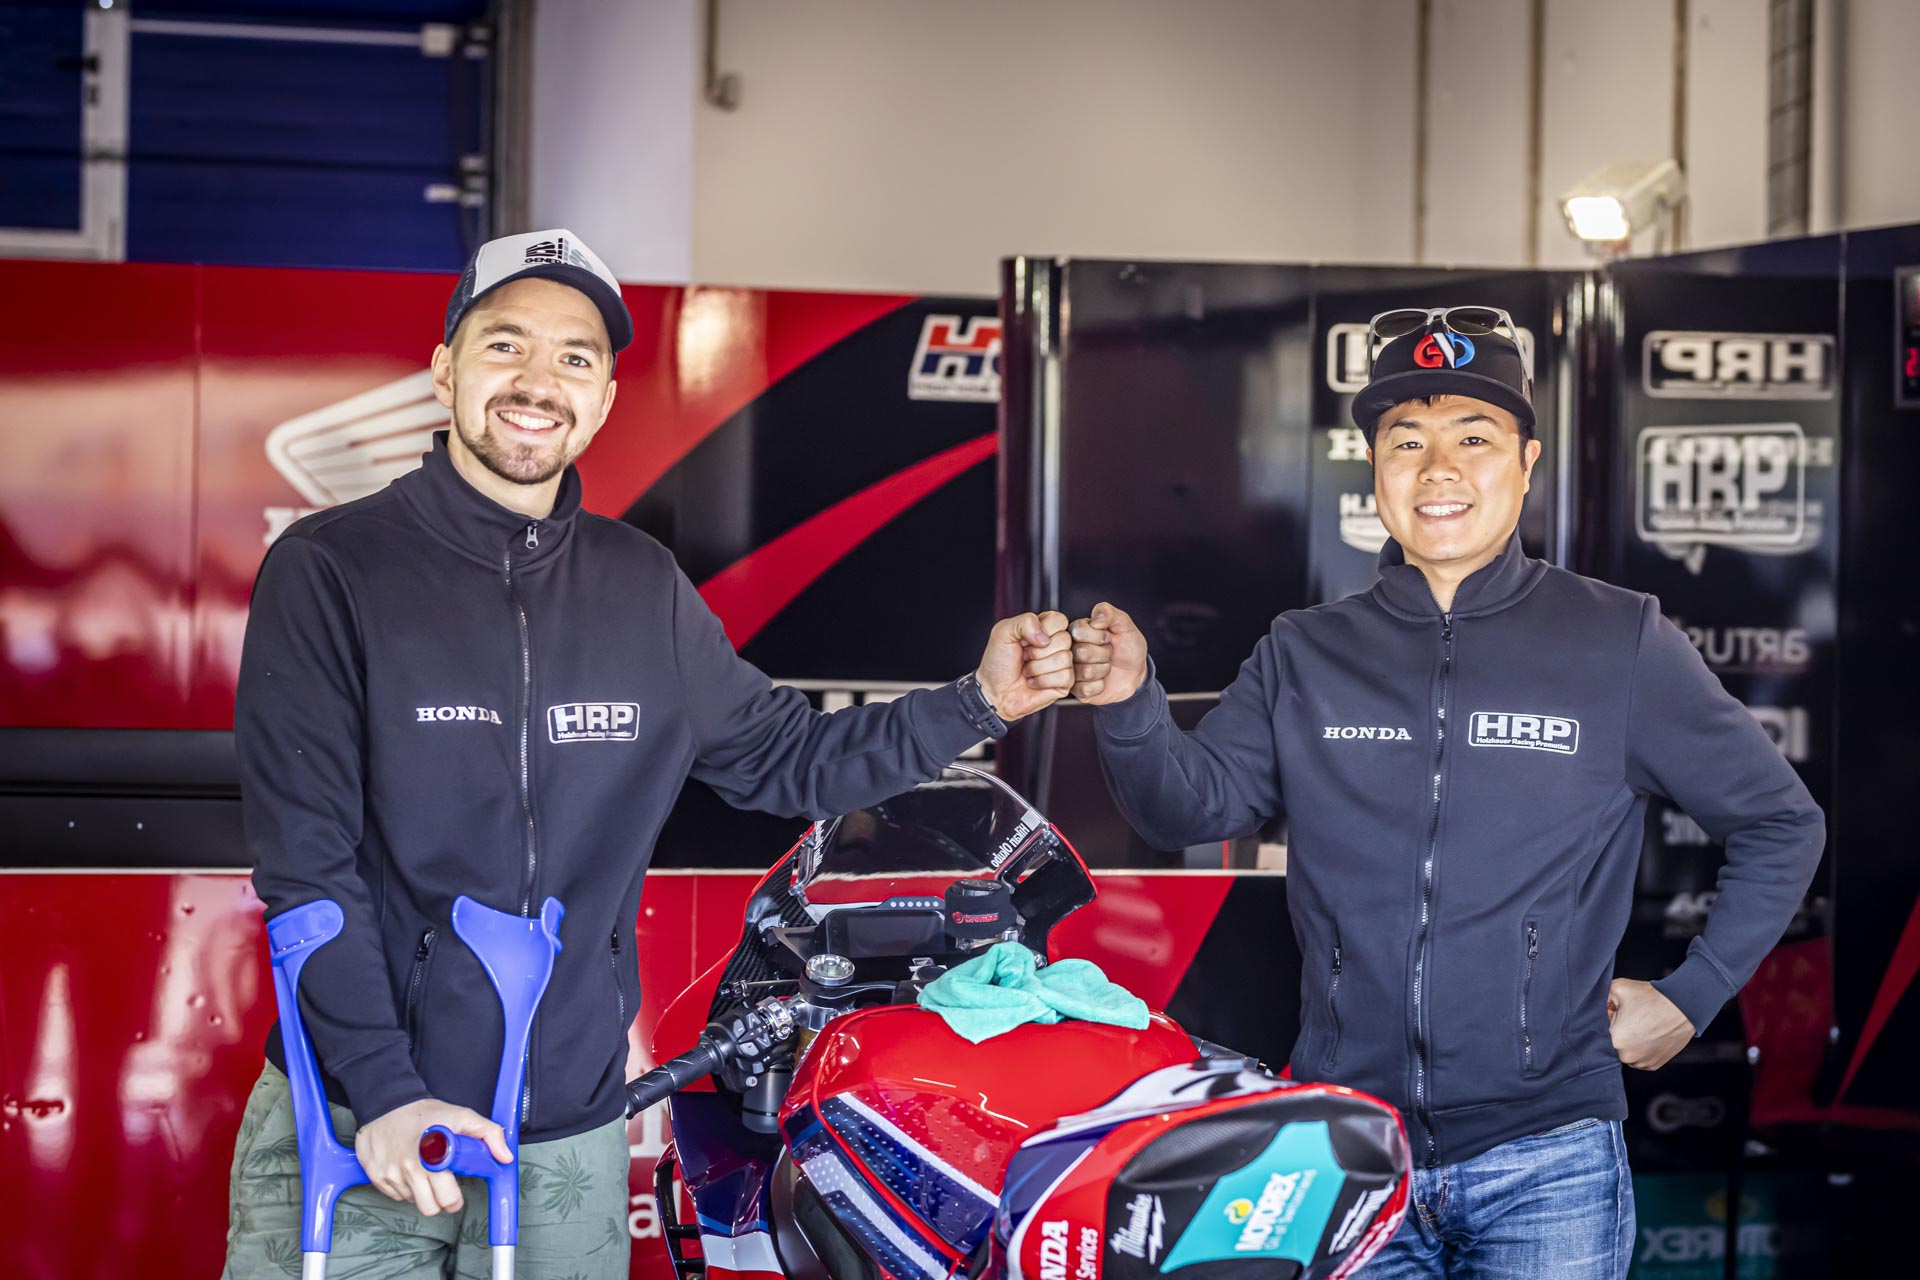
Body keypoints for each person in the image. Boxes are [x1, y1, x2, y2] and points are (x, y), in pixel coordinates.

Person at [223, 228, 1075, 1278]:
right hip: (357, 1122)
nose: (538, 381)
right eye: (505, 345)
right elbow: (308, 870)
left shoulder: (644, 587)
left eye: (574, 358)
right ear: (445, 370)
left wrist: (980, 700)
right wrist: (387, 1090)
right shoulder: (330, 570)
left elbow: (792, 758)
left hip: (563, 1134)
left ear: (604, 400)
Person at [1055, 309, 1823, 1278]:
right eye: (1406, 442)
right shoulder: (1306, 650)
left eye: (1474, 438)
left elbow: (1781, 821)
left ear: (1527, 462)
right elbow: (1185, 809)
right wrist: (1130, 705)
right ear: (1373, 467)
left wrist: (1692, 995)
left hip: (1549, 1156)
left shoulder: (1619, 640)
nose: (1438, 469)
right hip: (1348, 1146)